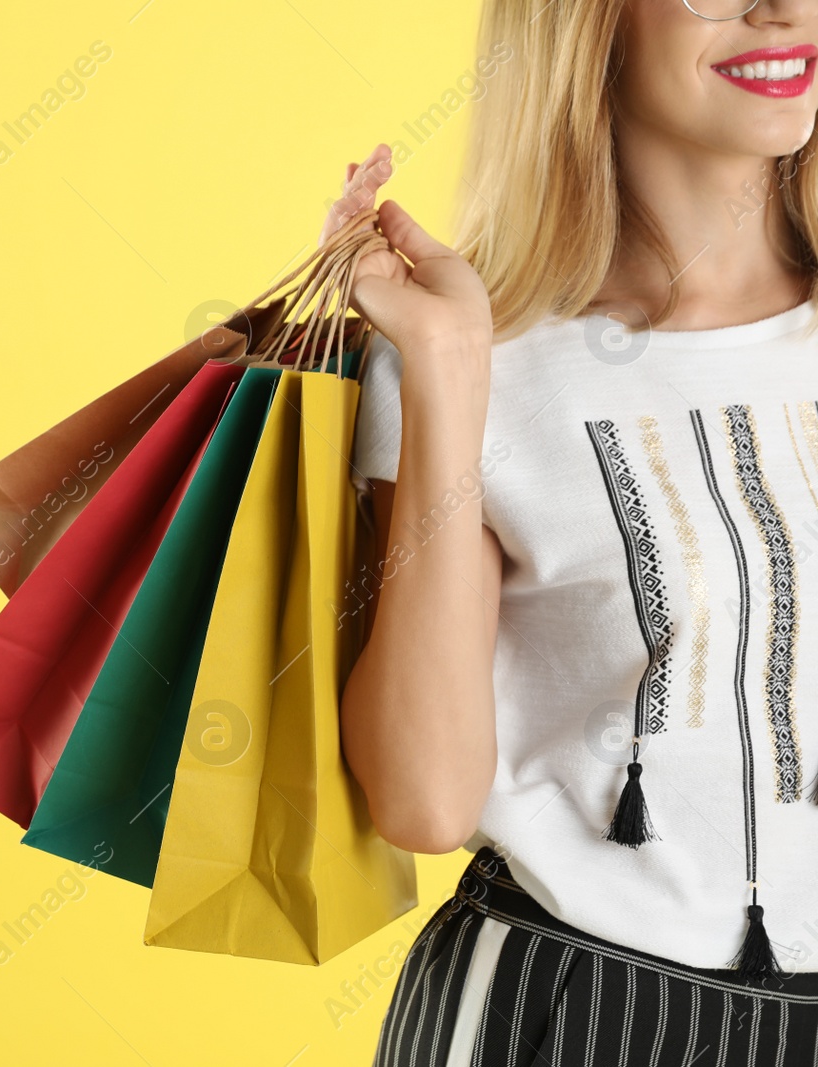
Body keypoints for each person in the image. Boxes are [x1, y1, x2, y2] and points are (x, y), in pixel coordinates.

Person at [331, 0, 818, 1062]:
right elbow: (420, 798)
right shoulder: (481, 354)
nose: (780, 11)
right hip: (564, 1005)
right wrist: (449, 374)